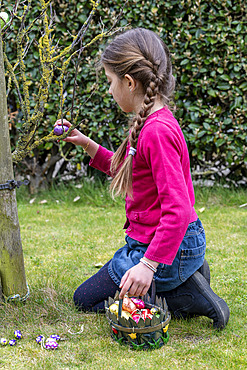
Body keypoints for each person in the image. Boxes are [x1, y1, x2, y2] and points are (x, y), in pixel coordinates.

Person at [55, 28, 229, 329]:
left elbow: (177, 208)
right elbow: (128, 170)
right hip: (172, 243)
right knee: (95, 296)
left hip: (162, 248)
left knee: (86, 300)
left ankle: (186, 291)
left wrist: (147, 266)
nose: (109, 91)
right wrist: (86, 144)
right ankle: (187, 273)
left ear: (130, 82)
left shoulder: (156, 132)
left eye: (110, 82)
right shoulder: (154, 121)